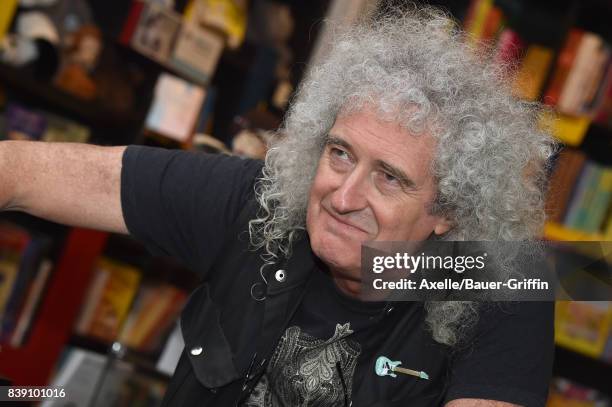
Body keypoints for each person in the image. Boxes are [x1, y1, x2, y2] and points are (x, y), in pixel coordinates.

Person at [0, 6, 557, 407]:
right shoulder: (266, 203)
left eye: (389, 178)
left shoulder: (499, 279)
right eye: (340, 154)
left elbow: (583, 272)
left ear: (450, 210)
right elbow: (27, 174)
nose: (343, 197)